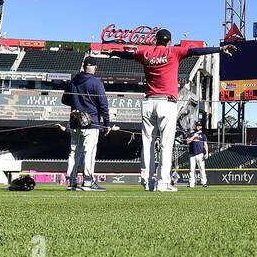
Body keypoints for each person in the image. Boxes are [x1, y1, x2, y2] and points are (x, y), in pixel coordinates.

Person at [117, 29, 235, 192]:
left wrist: (112, 54)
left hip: (148, 102)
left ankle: (147, 181)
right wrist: (220, 49)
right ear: (169, 41)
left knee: (147, 143)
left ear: (155, 40)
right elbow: (196, 51)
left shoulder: (146, 53)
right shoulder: (173, 51)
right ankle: (162, 183)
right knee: (166, 143)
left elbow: (127, 54)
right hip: (166, 103)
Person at [62, 56, 111, 192]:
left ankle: (71, 183)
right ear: (94, 67)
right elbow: (103, 105)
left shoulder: (73, 81)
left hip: (75, 121)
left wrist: (77, 104)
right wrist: (107, 124)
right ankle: (88, 182)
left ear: (84, 66)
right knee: (89, 152)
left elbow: (64, 100)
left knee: (74, 152)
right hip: (91, 122)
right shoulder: (96, 82)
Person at [186, 122, 208, 188]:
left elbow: (205, 144)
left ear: (201, 127)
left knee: (202, 168)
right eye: (197, 126)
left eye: (199, 126)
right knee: (192, 170)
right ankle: (191, 184)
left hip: (200, 154)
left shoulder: (203, 135)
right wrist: (193, 137)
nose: (198, 127)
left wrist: (206, 152)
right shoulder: (191, 134)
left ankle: (204, 183)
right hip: (192, 154)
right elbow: (187, 142)